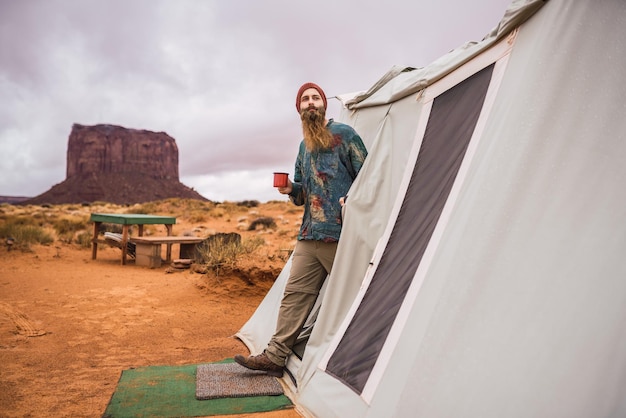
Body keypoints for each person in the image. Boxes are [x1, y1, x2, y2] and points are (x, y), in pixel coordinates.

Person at [234, 82, 368, 377]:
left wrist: (353, 197)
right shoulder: (302, 146)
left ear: (323, 105)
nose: (310, 103)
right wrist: (289, 188)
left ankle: (362, 356)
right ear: (299, 109)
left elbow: (369, 175)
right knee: (295, 294)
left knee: (357, 294)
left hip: (341, 235)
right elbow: (303, 193)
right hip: (309, 234)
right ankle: (275, 356)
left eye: (315, 98)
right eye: (305, 99)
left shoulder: (345, 136)